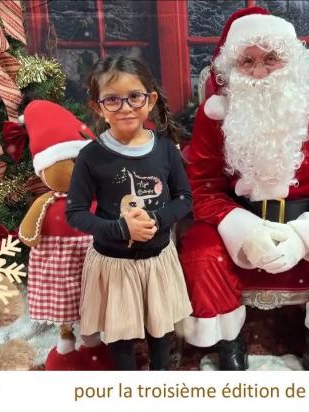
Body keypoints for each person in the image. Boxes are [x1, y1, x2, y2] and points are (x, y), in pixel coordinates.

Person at [178, 7, 309, 371]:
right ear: (232, 67)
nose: (259, 72)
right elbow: (202, 189)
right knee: (200, 254)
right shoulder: (215, 114)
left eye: (270, 59)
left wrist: (302, 239)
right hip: (237, 220)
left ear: (291, 63)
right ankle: (228, 344)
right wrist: (246, 233)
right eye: (247, 61)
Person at [66, 56, 193, 370]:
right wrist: (121, 229)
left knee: (160, 331)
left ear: (150, 100)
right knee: (121, 337)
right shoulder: (91, 156)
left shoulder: (165, 149)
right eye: (112, 99)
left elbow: (184, 199)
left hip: (158, 261)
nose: (125, 107)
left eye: (134, 96)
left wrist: (158, 220)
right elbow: (76, 213)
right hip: (115, 266)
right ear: (97, 107)